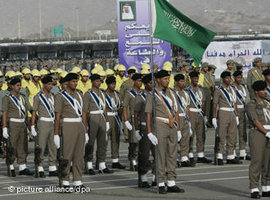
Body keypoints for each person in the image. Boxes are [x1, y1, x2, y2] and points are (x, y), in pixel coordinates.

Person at [145, 70, 184, 194]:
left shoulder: (172, 93)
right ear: (158, 80)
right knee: (160, 155)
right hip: (160, 125)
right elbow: (148, 114)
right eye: (165, 79)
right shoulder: (152, 94)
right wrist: (149, 132)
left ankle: (171, 182)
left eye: (168, 78)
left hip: (172, 125)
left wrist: (178, 129)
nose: (167, 81)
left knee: (172, 154)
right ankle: (160, 182)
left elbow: (176, 111)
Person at [54, 73, 88, 189]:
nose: (75, 83)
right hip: (67, 125)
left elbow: (83, 114)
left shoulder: (79, 95)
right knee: (67, 155)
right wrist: (56, 134)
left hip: (79, 125)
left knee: (79, 155)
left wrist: (85, 130)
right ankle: (65, 181)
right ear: (67, 82)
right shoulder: (60, 96)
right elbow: (57, 116)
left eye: (76, 81)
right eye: (73, 81)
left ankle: (78, 181)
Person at [2, 76, 34, 176]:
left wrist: (29, 125)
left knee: (23, 145)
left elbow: (28, 110)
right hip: (13, 123)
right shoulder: (7, 98)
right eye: (17, 85)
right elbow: (4, 113)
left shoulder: (23, 97)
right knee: (12, 145)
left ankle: (22, 166)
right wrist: (4, 127)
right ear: (11, 86)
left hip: (22, 123)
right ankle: (11, 166)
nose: (19, 87)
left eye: (20, 85)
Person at [82, 74, 112, 175]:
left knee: (103, 142)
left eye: (100, 81)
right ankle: (89, 164)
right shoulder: (88, 94)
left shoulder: (103, 93)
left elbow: (105, 109)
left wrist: (107, 121)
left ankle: (101, 164)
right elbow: (85, 111)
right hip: (93, 117)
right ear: (92, 82)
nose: (99, 83)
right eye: (96, 81)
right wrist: (85, 125)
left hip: (102, 118)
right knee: (90, 142)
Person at [246, 80, 270, 199]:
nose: (265, 92)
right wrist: (267, 133)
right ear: (256, 91)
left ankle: (266, 187)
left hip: (269, 132)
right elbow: (255, 121)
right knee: (257, 161)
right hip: (258, 133)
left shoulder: (267, 103)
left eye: (265, 89)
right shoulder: (252, 104)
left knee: (268, 162)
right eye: (263, 90)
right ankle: (254, 188)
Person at [31, 75, 58, 178]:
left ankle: (52, 167)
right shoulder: (38, 96)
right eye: (49, 84)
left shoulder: (53, 96)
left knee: (53, 146)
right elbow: (34, 112)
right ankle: (39, 167)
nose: (51, 86)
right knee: (41, 146)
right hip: (42, 123)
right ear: (44, 84)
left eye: (51, 84)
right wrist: (32, 125)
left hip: (52, 122)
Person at [212, 71, 241, 165]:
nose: (229, 80)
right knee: (221, 134)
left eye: (230, 78)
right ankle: (219, 155)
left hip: (232, 112)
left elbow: (235, 103)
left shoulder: (233, 89)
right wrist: (213, 117)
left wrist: (236, 115)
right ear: (223, 79)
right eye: (227, 78)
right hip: (223, 112)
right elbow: (215, 104)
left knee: (232, 135)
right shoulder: (218, 90)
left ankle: (230, 155)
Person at [134, 74, 156, 187]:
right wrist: (137, 130)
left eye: (153, 83)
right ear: (145, 84)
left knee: (157, 153)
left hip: (156, 127)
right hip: (144, 127)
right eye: (150, 83)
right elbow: (136, 114)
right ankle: (142, 177)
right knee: (145, 154)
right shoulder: (140, 96)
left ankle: (156, 176)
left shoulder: (156, 95)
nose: (152, 85)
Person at [187, 71, 212, 164]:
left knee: (201, 135)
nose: (196, 80)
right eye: (194, 79)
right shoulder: (188, 90)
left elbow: (203, 103)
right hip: (192, 113)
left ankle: (201, 155)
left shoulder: (201, 90)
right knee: (191, 135)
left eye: (197, 78)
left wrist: (205, 115)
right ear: (191, 79)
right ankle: (190, 155)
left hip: (200, 114)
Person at [105, 76, 125, 169]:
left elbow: (120, 107)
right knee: (104, 140)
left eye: (114, 84)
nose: (113, 85)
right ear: (108, 84)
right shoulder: (104, 94)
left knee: (116, 140)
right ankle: (100, 161)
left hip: (116, 117)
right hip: (107, 117)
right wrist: (106, 121)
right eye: (112, 84)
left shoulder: (117, 94)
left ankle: (115, 160)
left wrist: (121, 120)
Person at [123, 73, 143, 171]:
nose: (141, 83)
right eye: (139, 81)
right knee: (133, 142)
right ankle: (132, 160)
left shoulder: (143, 92)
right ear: (134, 81)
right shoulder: (129, 93)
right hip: (133, 118)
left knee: (141, 142)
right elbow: (125, 107)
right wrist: (126, 120)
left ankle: (140, 160)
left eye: (141, 81)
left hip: (141, 119)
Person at [174, 74, 193, 167]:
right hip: (176, 117)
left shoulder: (186, 93)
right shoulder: (172, 93)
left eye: (183, 81)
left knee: (185, 138)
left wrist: (189, 121)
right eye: (181, 81)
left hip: (184, 117)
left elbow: (188, 107)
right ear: (176, 82)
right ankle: (175, 158)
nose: (183, 83)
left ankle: (184, 157)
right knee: (175, 139)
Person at [232, 71, 250, 160]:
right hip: (234, 111)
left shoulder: (243, 87)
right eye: (238, 77)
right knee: (233, 132)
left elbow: (247, 98)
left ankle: (243, 153)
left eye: (240, 77)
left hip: (243, 110)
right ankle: (233, 153)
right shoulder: (231, 87)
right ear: (234, 78)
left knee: (243, 132)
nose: (240, 79)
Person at [120, 68, 136, 142]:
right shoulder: (125, 84)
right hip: (127, 105)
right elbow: (121, 94)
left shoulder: (137, 82)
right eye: (132, 74)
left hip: (135, 104)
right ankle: (127, 136)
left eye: (134, 73)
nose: (133, 75)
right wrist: (123, 103)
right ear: (129, 75)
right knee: (126, 119)